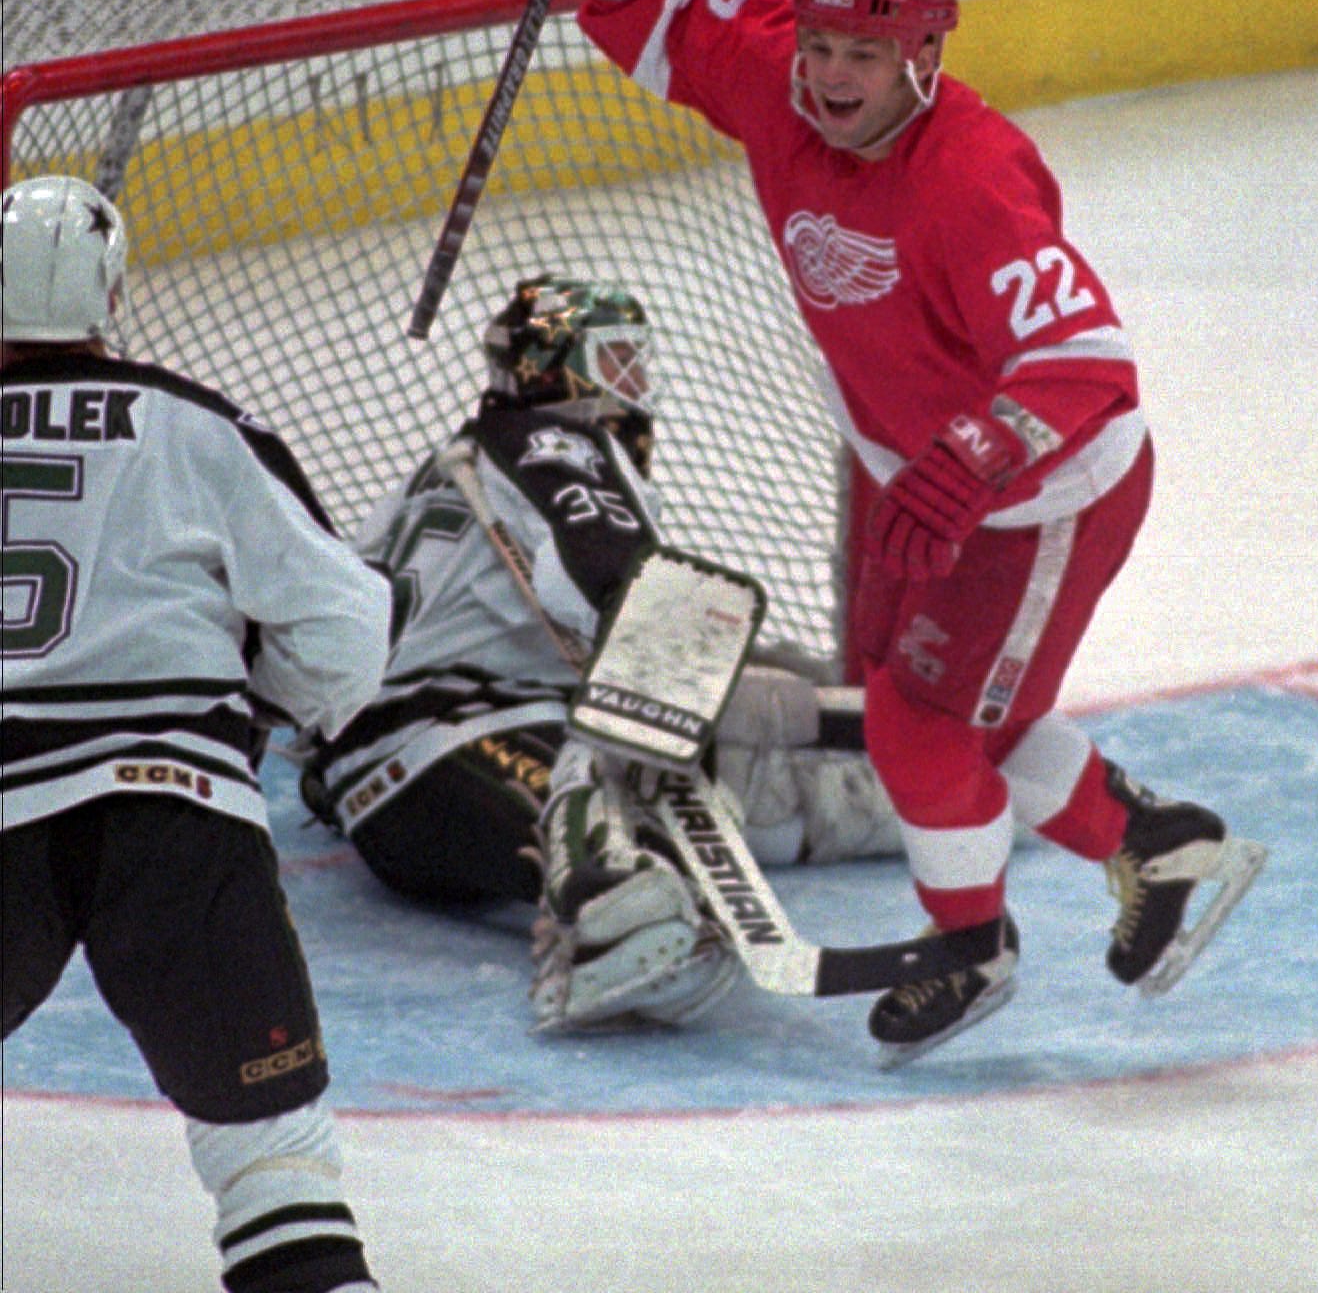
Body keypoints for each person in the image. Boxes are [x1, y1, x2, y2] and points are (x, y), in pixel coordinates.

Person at [514, 0, 1266, 1063]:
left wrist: (972, 458)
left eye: (862, 51)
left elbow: (1083, 361)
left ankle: (970, 945)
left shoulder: (969, 178)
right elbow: (673, 8)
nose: (828, 73)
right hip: (913, 471)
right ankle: (1163, 846)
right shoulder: (781, 83)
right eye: (817, 45)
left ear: (922, 54)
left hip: (1040, 498)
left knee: (924, 728)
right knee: (934, 710)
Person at [298, 273, 900, 1033]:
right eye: (618, 362)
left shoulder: (459, 460)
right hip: (446, 748)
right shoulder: (559, 442)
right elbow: (623, 594)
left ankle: (864, 805)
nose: (636, 388)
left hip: (392, 799)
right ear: (562, 373)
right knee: (633, 740)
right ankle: (611, 898)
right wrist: (743, 700)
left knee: (705, 750)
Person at [0, 176, 392, 1292]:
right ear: (113, 293)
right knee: (273, 1160)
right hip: (179, 812)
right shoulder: (200, 423)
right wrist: (268, 696)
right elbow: (345, 632)